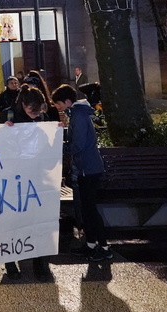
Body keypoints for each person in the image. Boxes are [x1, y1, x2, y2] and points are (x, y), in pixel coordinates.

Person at [0, 85, 53, 281]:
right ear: (23, 104)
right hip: (11, 180)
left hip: (35, 180)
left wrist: (55, 135)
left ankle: (40, 262)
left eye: (38, 111)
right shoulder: (7, 115)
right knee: (11, 223)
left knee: (37, 223)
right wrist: (2, 131)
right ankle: (10, 263)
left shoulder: (41, 119)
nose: (35, 115)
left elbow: (47, 153)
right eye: (32, 111)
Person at [52, 84, 112, 262]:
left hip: (88, 169)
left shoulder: (78, 116)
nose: (58, 108)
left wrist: (58, 148)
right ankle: (91, 244)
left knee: (90, 211)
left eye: (59, 104)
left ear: (68, 101)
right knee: (87, 210)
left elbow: (77, 145)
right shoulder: (77, 114)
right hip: (87, 168)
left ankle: (104, 247)